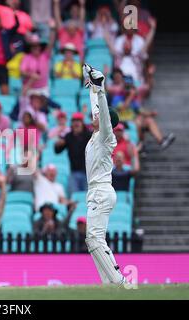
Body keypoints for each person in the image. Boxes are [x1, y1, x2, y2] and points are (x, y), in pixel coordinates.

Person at [82, 63, 129, 285]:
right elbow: (96, 108)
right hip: (95, 192)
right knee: (93, 241)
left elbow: (103, 115)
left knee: (94, 238)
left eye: (99, 115)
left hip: (101, 192)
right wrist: (91, 85)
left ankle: (118, 282)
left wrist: (100, 91)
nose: (95, 115)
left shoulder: (106, 138)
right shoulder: (96, 133)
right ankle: (109, 284)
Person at [54, 112, 92, 194]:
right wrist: (57, 145)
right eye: (74, 121)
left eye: (78, 121)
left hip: (88, 172)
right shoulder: (68, 136)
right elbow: (57, 151)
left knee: (89, 198)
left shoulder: (89, 135)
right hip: (74, 172)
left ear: (82, 123)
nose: (76, 123)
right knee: (75, 197)